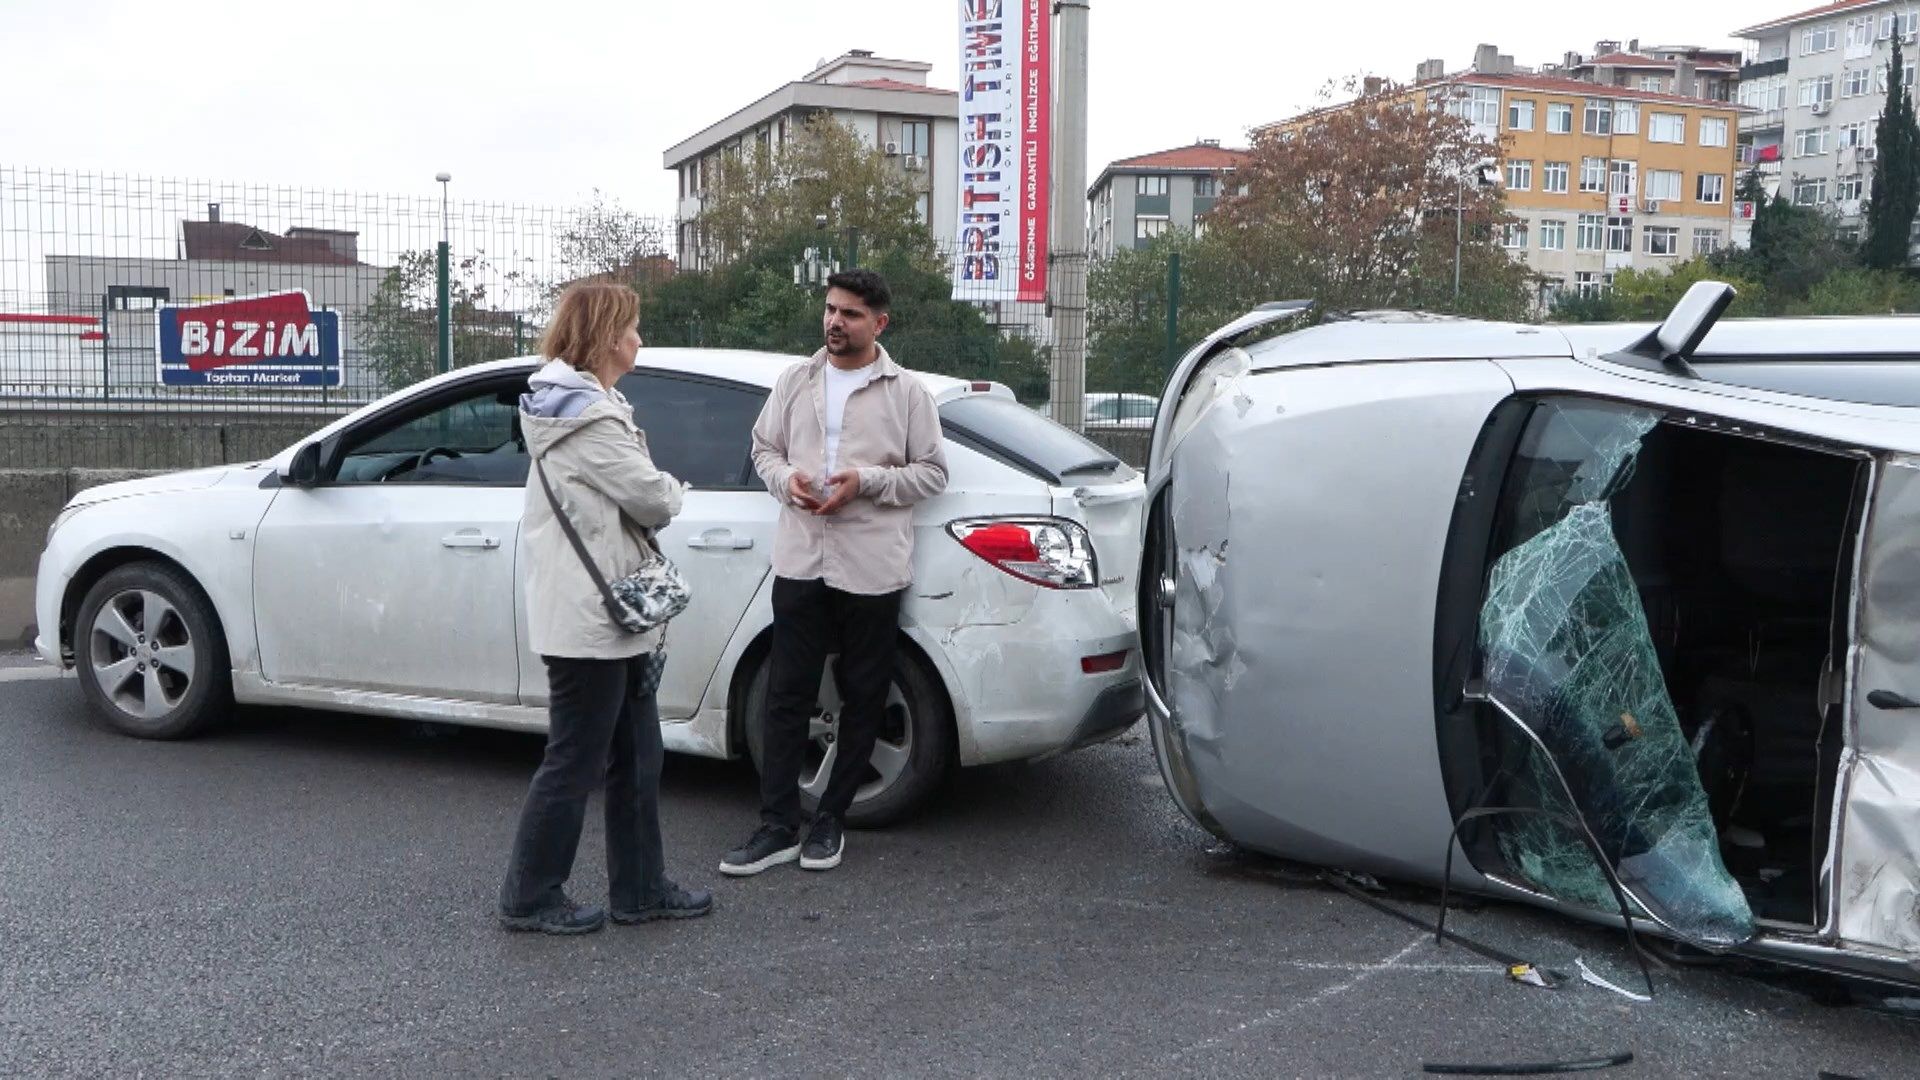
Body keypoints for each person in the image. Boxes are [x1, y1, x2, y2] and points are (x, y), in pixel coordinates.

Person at [498, 283, 712, 934]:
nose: (640, 339)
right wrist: (675, 488)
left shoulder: (584, 407)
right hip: (591, 618)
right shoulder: (586, 419)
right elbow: (652, 499)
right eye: (634, 328)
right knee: (576, 759)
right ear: (607, 338)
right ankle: (529, 895)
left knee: (638, 755)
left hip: (608, 614)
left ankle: (640, 889)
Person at [721, 268, 949, 876]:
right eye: (829, 310)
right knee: (786, 692)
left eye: (849, 314)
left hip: (871, 566)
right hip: (800, 558)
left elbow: (932, 473)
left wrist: (865, 483)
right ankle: (776, 826)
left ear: (879, 323)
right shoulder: (797, 381)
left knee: (864, 694)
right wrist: (782, 482)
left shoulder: (907, 394)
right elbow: (763, 448)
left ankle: (830, 822)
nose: (834, 322)